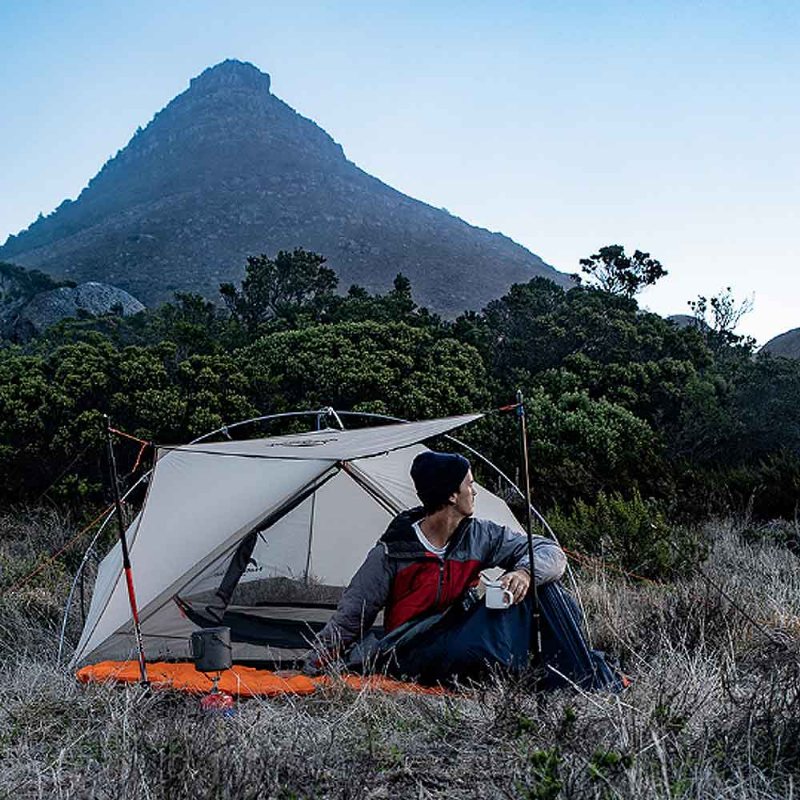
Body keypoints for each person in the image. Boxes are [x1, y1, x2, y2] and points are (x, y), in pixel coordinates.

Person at [305, 450, 567, 683]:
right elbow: (351, 617)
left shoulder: (479, 537)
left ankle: (574, 673)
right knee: (471, 648)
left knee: (546, 589)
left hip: (458, 633)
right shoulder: (392, 552)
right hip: (410, 649)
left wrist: (525, 573)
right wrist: (309, 667)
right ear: (452, 495)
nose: (474, 492)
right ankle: (514, 671)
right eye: (470, 485)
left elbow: (551, 552)